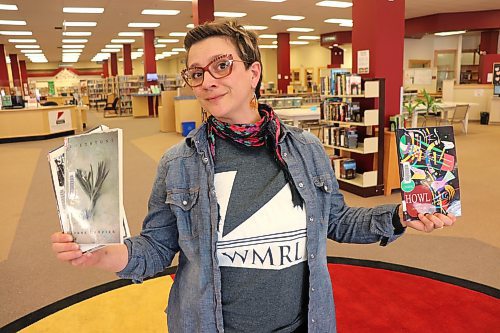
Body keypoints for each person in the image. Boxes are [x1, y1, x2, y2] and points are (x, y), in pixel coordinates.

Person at [51, 20, 457, 333]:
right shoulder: (178, 163)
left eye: (222, 65)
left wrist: (400, 216)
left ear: (254, 73)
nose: (208, 80)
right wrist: (108, 255)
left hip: (303, 324)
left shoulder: (306, 149)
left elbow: (337, 220)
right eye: (196, 73)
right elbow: (158, 247)